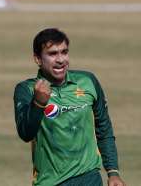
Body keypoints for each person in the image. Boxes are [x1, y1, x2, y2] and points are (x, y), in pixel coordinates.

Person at [13, 28, 126, 186]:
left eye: (64, 52)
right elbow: (25, 133)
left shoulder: (88, 81)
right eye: (52, 54)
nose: (60, 60)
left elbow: (104, 128)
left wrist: (113, 172)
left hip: (89, 178)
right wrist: (38, 103)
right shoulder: (27, 89)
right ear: (38, 59)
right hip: (50, 182)